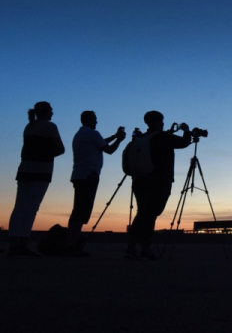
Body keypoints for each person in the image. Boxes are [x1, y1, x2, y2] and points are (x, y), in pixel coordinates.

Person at [125, 111, 191, 260]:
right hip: (158, 181)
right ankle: (145, 249)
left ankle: (131, 247)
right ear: (157, 122)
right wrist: (186, 130)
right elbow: (184, 143)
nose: (163, 123)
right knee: (150, 215)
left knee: (142, 213)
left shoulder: (142, 137)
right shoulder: (162, 137)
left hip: (139, 180)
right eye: (161, 121)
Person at [7, 101, 65, 257]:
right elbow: (60, 149)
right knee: (31, 208)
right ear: (46, 112)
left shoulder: (29, 126)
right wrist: (45, 154)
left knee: (19, 207)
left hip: (25, 169)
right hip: (41, 171)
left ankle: (14, 244)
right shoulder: (50, 127)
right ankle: (23, 245)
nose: (53, 113)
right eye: (51, 110)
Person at [66, 111, 127, 256]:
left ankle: (70, 244)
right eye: (95, 119)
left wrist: (114, 136)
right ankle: (71, 246)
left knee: (78, 209)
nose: (97, 122)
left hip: (80, 174)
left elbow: (100, 144)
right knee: (81, 211)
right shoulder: (92, 133)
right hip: (89, 175)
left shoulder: (82, 134)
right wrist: (119, 140)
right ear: (88, 119)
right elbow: (109, 149)